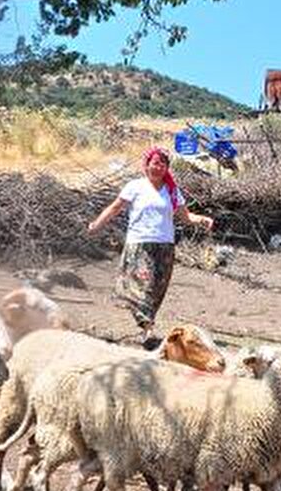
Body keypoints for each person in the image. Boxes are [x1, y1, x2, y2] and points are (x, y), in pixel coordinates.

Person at [88, 147, 214, 345]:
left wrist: (201, 220)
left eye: (162, 164)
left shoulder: (172, 191)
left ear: (167, 168)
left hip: (165, 245)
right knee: (145, 287)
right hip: (139, 244)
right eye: (154, 163)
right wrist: (97, 224)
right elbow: (115, 208)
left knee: (157, 289)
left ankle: (146, 321)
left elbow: (185, 216)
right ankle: (147, 329)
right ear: (146, 165)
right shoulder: (135, 186)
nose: (158, 167)